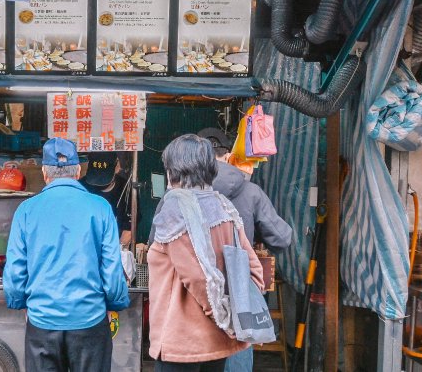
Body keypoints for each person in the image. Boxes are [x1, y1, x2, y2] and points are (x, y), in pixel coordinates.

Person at [4, 138, 130, 372]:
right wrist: (115, 302)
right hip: (90, 321)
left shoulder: (26, 210)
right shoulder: (100, 207)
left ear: (44, 172)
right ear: (78, 170)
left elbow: (14, 272)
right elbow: (112, 270)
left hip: (41, 322)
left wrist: (21, 302)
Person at [148, 134, 264, 372]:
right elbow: (253, 267)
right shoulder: (224, 206)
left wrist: (220, 316)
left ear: (174, 169)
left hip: (182, 343)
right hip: (218, 342)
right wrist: (235, 315)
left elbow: (198, 278)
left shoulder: (174, 208)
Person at [200, 130, 293, 372]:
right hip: (239, 291)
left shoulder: (181, 195)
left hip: (198, 293)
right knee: (238, 351)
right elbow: (282, 238)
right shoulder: (251, 193)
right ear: (229, 156)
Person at [81, 152, 133, 246]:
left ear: (117, 167)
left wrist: (114, 253)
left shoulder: (127, 189)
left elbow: (128, 230)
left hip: (115, 246)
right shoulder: (80, 187)